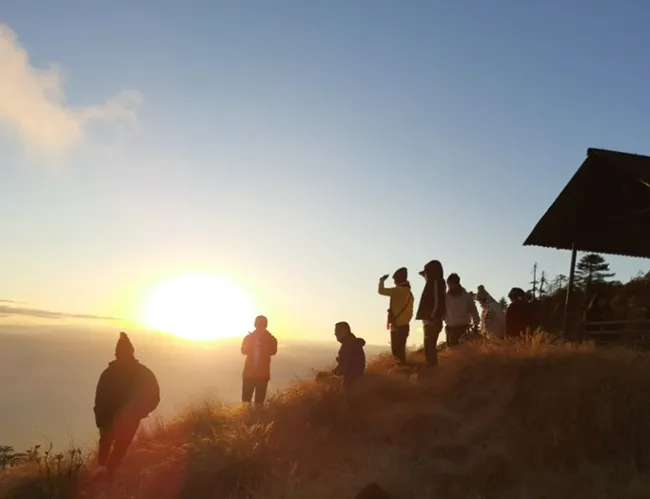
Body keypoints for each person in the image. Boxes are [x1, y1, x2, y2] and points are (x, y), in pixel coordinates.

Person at [94, 332, 160, 480]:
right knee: (119, 449)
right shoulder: (144, 373)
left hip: (112, 421)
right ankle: (107, 474)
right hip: (123, 421)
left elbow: (99, 401)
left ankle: (104, 474)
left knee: (109, 447)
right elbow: (154, 397)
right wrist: (139, 412)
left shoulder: (108, 373)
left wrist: (102, 421)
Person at [378, 267, 414, 364]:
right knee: (401, 350)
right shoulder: (410, 293)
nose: (394, 282)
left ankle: (401, 372)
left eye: (394, 279)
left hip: (396, 325)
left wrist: (381, 280)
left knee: (396, 351)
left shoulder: (396, 291)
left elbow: (381, 291)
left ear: (398, 279)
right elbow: (411, 311)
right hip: (405, 325)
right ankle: (403, 370)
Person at [241, 315, 278, 407]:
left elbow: (273, 351)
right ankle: (250, 419)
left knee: (255, 402)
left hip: (256, 374)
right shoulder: (270, 339)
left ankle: (251, 419)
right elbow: (243, 350)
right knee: (249, 402)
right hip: (256, 374)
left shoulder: (270, 339)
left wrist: (261, 346)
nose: (259, 326)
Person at [415, 260, 446, 367]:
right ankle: (431, 368)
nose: (425, 275)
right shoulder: (433, 282)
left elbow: (438, 300)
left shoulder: (437, 283)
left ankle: (432, 370)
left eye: (427, 272)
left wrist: (433, 316)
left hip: (432, 321)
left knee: (430, 347)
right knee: (428, 347)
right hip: (429, 320)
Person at [444, 273, 480, 346]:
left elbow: (474, 311)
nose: (449, 287)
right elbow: (442, 311)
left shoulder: (466, 297)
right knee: (452, 353)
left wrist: (476, 325)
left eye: (451, 284)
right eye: (448, 285)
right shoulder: (446, 297)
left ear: (456, 284)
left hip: (463, 329)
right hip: (450, 329)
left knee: (464, 352)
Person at [332, 321, 366, 388]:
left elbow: (344, 367)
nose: (335, 333)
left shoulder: (348, 345)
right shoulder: (352, 343)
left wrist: (333, 375)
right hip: (354, 381)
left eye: (337, 331)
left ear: (345, 331)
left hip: (351, 384)